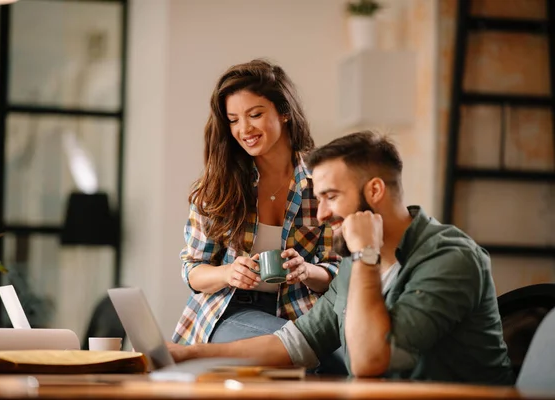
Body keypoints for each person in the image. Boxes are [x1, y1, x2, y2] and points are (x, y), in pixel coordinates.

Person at [168, 131, 514, 385]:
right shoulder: (354, 265)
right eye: (319, 199)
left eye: (331, 196)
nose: (321, 215)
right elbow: (295, 343)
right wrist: (184, 354)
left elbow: (370, 363)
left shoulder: (451, 258)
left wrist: (365, 255)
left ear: (374, 191)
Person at [172, 59, 341, 352]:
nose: (244, 129)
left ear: (284, 112)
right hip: (230, 310)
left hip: (303, 312)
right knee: (299, 352)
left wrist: (306, 271)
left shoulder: (321, 182)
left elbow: (336, 267)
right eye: (234, 119)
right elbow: (193, 269)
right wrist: (227, 274)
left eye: (255, 114)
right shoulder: (218, 185)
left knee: (340, 364)